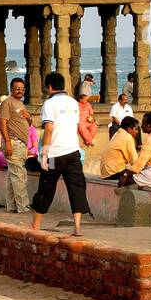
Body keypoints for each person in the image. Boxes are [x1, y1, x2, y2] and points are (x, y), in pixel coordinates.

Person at [31, 72, 90, 237]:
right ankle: (77, 227)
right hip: (73, 153)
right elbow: (76, 126)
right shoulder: (73, 102)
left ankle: (35, 225)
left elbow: (48, 129)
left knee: (46, 187)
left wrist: (44, 154)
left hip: (55, 155)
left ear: (49, 87)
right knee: (77, 188)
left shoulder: (49, 104)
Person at [0, 77, 31, 214]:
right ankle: (23, 206)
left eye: (22, 89)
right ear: (11, 89)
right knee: (19, 176)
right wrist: (8, 142)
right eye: (17, 88)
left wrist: (28, 117)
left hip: (21, 143)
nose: (20, 91)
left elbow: (28, 124)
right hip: (13, 141)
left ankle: (11, 206)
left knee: (14, 178)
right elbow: (2, 122)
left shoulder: (20, 104)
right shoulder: (8, 103)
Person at [99, 117, 139, 181]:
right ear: (129, 129)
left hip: (105, 173)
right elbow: (135, 162)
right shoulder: (127, 137)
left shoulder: (117, 133)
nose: (137, 132)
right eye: (136, 129)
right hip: (114, 173)